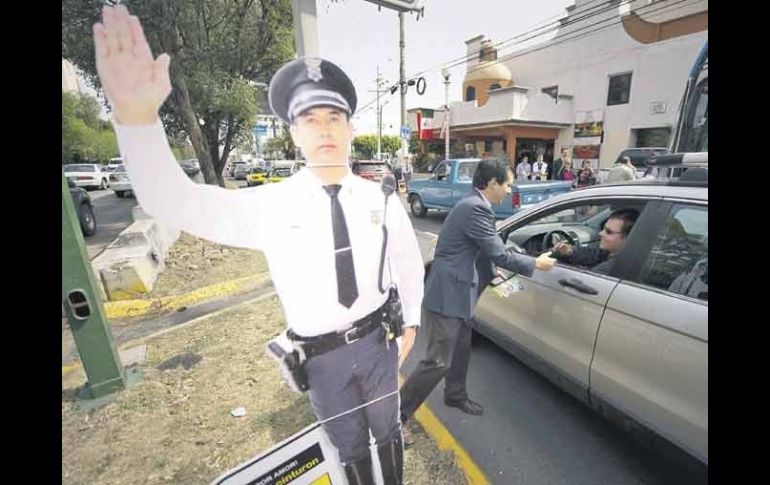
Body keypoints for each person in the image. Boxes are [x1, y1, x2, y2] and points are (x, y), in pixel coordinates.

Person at [93, 6, 423, 484]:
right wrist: (137, 120)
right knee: (349, 444)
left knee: (388, 430)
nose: (325, 129)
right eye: (311, 119)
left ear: (351, 127)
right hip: (322, 357)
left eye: (335, 117)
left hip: (376, 343)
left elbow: (407, 264)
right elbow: (175, 201)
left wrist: (410, 320)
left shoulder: (382, 197)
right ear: (294, 134)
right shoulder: (271, 205)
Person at [399, 160, 556, 422]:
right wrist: (536, 263)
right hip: (448, 295)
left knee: (462, 350)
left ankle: (455, 395)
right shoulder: (476, 209)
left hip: (461, 292)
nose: (508, 190)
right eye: (506, 184)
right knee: (437, 362)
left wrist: (495, 275)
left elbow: (483, 251)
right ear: (492, 183)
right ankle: (398, 415)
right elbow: (497, 252)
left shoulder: (475, 203)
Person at [552, 209, 638, 275]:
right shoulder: (628, 255)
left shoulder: (607, 270)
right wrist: (570, 251)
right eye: (603, 229)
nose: (601, 233)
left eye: (608, 232)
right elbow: (596, 255)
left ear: (629, 238)